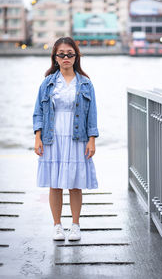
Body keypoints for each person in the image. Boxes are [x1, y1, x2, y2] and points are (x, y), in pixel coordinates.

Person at [33, 37, 99, 241]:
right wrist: (38, 137)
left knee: (75, 182)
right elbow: (38, 112)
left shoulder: (86, 83)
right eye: (61, 54)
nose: (66, 57)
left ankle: (76, 225)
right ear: (55, 57)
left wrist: (92, 139)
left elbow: (92, 114)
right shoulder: (48, 83)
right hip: (53, 137)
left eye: (70, 54)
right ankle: (57, 226)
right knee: (55, 182)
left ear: (76, 56)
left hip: (77, 137)